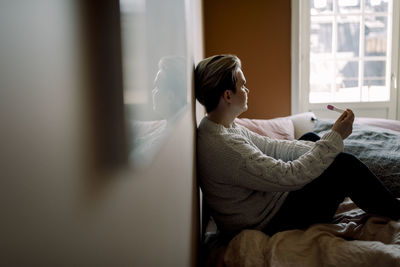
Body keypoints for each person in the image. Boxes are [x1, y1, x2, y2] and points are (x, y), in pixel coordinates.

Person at [195, 54, 400, 238]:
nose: (247, 90)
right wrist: (334, 140)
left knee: (311, 139)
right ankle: (395, 210)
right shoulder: (226, 147)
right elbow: (290, 175)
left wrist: (327, 145)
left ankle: (369, 190)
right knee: (344, 166)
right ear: (227, 95)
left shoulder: (220, 126)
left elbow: (273, 147)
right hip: (267, 222)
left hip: (267, 205)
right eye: (242, 85)